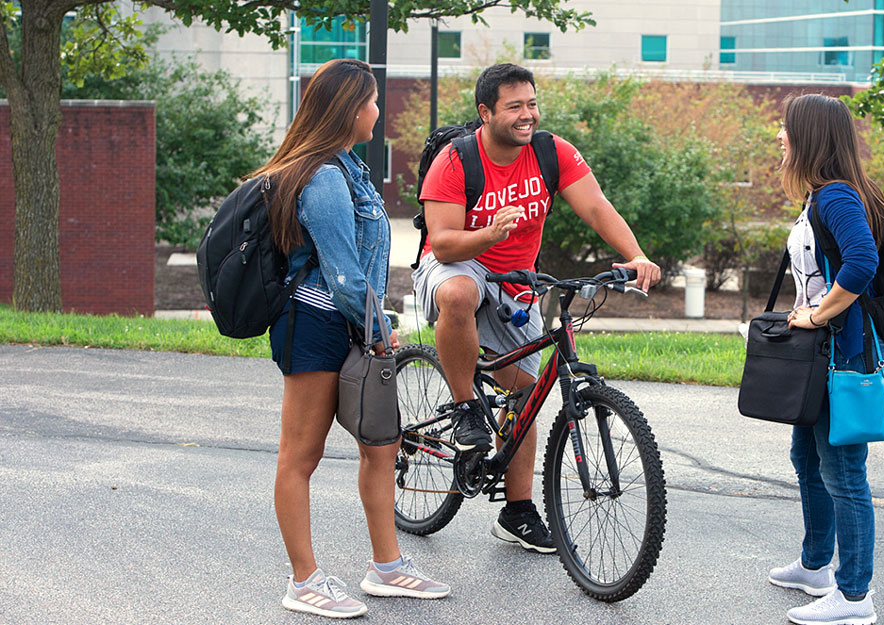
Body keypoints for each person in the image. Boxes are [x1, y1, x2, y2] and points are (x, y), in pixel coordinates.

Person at [415, 63, 661, 553]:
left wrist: (634, 255)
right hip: (455, 265)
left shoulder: (551, 152)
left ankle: (517, 511)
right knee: (460, 293)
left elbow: (596, 207)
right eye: (515, 107)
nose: (527, 115)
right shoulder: (456, 160)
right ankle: (465, 406)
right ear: (485, 112)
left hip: (516, 283)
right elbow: (441, 244)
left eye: (531, 103)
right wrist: (488, 235)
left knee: (526, 398)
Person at [258, 58, 449, 619]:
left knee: (380, 445)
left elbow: (355, 271)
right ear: (347, 108)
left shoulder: (349, 168)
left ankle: (386, 567)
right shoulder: (320, 176)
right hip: (316, 324)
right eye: (370, 101)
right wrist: (379, 329)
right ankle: (304, 580)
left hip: (349, 324)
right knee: (301, 456)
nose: (377, 111)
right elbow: (342, 272)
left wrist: (372, 325)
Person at [768, 94, 884, 625]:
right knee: (808, 459)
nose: (779, 135)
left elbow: (862, 261)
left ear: (810, 136)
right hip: (820, 356)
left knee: (843, 472)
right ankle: (817, 565)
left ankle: (855, 596)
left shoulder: (837, 197)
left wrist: (818, 315)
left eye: (786, 127)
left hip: (843, 355)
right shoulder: (824, 195)